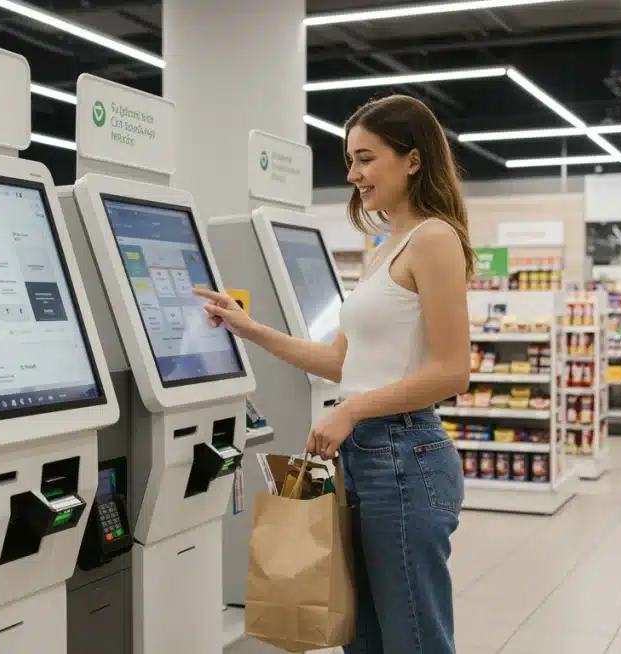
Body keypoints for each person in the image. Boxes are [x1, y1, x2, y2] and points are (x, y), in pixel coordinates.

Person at [193, 95, 472, 654]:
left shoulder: (435, 239)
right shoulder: (384, 248)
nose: (353, 175)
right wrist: (249, 329)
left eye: (366, 159)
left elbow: (452, 370)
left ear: (412, 160)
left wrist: (351, 409)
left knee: (413, 638)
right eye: (350, 161)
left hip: (405, 457)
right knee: (360, 637)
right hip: (365, 458)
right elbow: (341, 363)